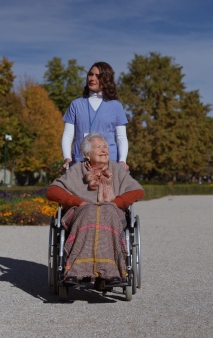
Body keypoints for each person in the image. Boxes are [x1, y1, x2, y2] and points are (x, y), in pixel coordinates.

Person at [46, 133, 144, 289]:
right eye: (98, 147)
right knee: (91, 211)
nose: (104, 150)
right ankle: (76, 271)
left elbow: (137, 191)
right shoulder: (76, 170)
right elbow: (52, 191)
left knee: (106, 211)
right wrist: (78, 202)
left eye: (105, 146)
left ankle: (110, 272)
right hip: (82, 213)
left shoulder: (117, 170)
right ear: (86, 154)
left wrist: (116, 203)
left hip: (112, 212)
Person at [61, 61, 129, 170]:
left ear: (106, 79)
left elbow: (121, 137)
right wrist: (67, 159)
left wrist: (122, 160)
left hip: (108, 162)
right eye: (90, 74)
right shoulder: (76, 104)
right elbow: (68, 135)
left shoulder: (116, 106)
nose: (92, 78)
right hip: (80, 161)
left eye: (98, 76)